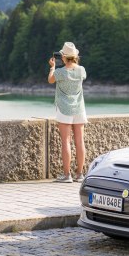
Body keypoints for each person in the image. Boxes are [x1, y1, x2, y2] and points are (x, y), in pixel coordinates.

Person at [48, 42, 87, 183]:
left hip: (64, 108)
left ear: (63, 57)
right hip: (79, 108)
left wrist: (52, 68)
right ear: (75, 56)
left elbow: (50, 80)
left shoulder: (60, 72)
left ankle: (66, 175)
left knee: (66, 141)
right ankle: (80, 174)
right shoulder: (81, 70)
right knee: (79, 141)